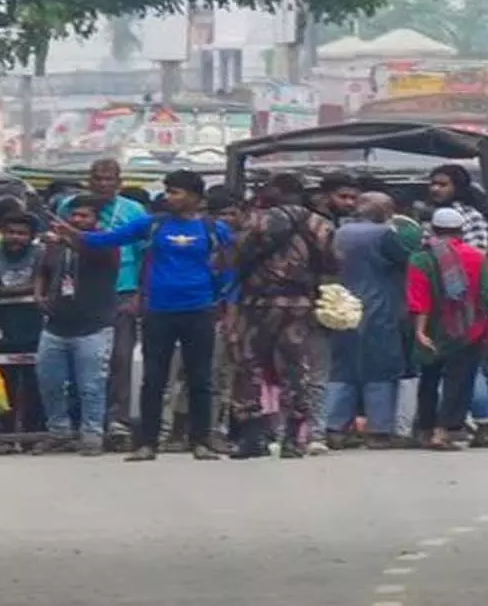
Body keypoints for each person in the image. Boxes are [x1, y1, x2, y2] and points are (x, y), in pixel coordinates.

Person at [67, 169, 231, 462]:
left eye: (176, 192)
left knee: (200, 379)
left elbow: (230, 267)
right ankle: (147, 443)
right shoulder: (152, 225)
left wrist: (224, 301)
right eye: (168, 191)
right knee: (153, 379)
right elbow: (109, 240)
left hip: (200, 310)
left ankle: (201, 441)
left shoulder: (213, 229)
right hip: (159, 311)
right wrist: (76, 236)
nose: (169, 197)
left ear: (195, 197)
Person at [228, 173, 333, 458]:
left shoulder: (257, 220)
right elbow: (333, 263)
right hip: (300, 305)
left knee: (249, 367)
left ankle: (252, 436)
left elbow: (235, 257)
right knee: (297, 370)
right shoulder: (320, 224)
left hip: (257, 305)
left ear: (280, 191)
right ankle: (293, 438)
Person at [57, 159, 149, 449]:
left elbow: (145, 255)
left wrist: (138, 295)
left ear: (120, 181)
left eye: (110, 179)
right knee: (79, 361)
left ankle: (117, 422)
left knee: (119, 358)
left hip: (122, 292)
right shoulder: (70, 206)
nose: (104, 184)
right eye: (98, 178)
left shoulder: (133, 211)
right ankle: (80, 424)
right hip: (80, 293)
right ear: (89, 179)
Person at [32, 196, 119, 455]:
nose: (78, 220)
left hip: (93, 325)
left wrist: (67, 237)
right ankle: (59, 432)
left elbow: (91, 251)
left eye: (85, 216)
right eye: (74, 215)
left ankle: (92, 435)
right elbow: (43, 271)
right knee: (50, 382)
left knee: (91, 385)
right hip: (56, 324)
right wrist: (39, 294)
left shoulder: (107, 243)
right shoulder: (56, 246)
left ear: (96, 220)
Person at [408, 208, 488, 450]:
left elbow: (418, 299)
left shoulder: (420, 259)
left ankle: (425, 430)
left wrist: (420, 331)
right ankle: (446, 430)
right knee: (459, 381)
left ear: (433, 230)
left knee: (429, 379)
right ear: (461, 231)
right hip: (468, 330)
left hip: (431, 330)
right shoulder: (477, 257)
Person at [329, 192, 410, 449]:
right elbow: (409, 261)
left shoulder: (338, 233)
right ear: (384, 211)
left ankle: (334, 427)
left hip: (341, 305)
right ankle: (379, 429)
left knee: (342, 367)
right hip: (380, 307)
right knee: (380, 368)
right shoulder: (385, 235)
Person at [428, 164, 488, 251]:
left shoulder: (471, 216)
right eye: (433, 184)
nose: (435, 189)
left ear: (457, 187)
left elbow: (477, 252)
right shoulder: (428, 214)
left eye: (443, 185)